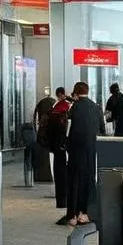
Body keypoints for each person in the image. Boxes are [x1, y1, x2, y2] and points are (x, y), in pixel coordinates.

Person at [65, 81, 105, 227]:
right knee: (88, 180)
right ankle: (86, 213)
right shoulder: (96, 107)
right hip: (90, 151)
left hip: (76, 151)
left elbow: (67, 130)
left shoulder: (74, 108)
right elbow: (102, 128)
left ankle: (73, 215)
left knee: (74, 182)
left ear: (76, 93)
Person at [46, 87, 71, 220]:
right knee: (65, 172)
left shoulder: (55, 107)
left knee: (59, 172)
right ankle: (65, 199)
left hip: (56, 147)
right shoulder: (67, 107)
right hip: (64, 145)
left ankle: (61, 200)